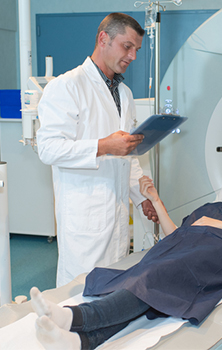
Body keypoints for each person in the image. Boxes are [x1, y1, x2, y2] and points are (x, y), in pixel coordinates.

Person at [30, 171, 222, 350]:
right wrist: (155, 199)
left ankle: (73, 317)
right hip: (181, 245)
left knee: (153, 277)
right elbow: (176, 234)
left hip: (216, 254)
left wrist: (219, 226)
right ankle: (79, 343)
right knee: (145, 275)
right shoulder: (212, 206)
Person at [36, 13, 160, 287]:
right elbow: (48, 149)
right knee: (79, 295)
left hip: (116, 214)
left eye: (137, 50)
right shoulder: (67, 86)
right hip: (85, 215)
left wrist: (141, 197)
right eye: (127, 46)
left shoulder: (124, 94)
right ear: (103, 39)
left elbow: (127, 155)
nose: (133, 56)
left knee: (113, 289)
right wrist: (103, 146)